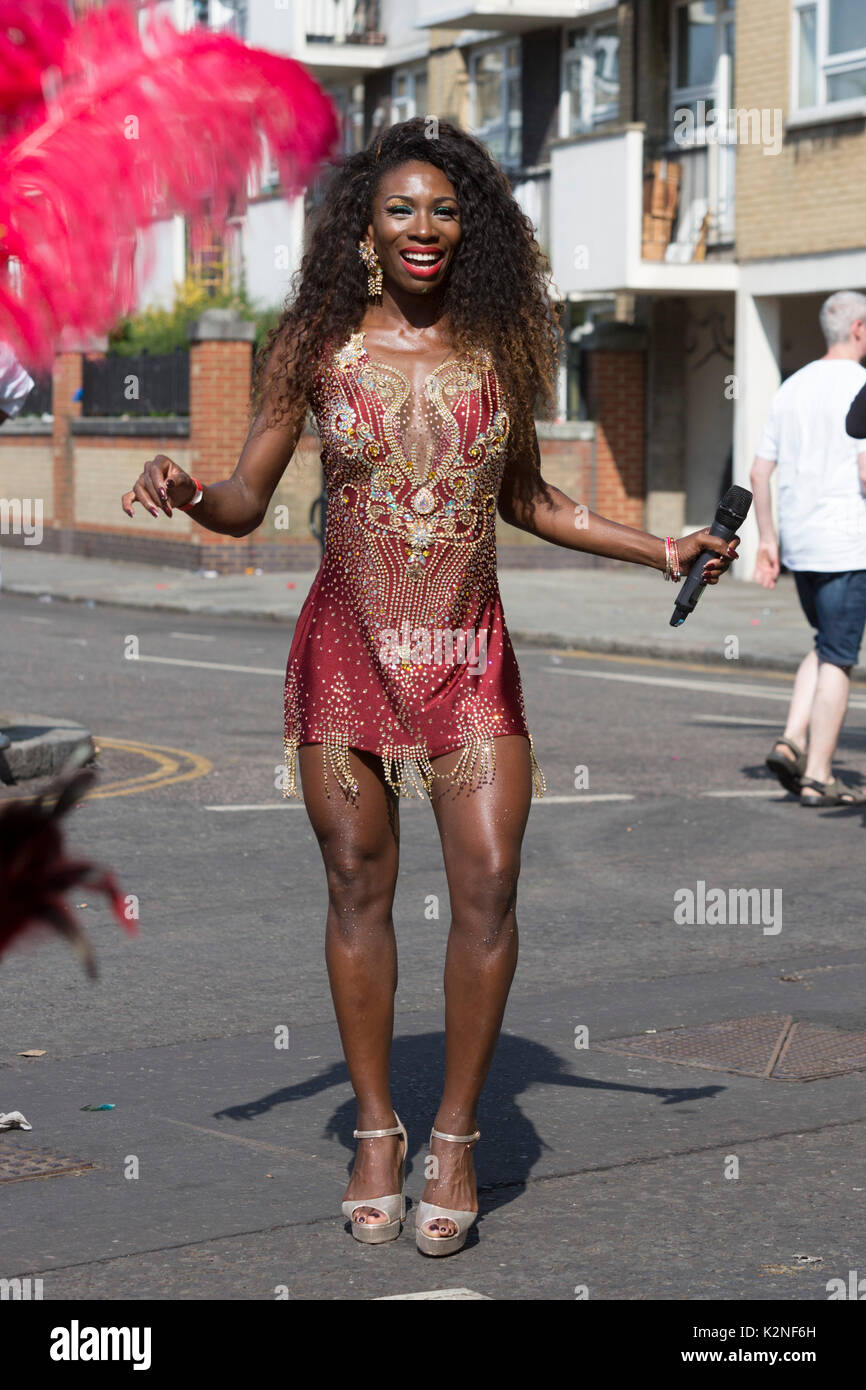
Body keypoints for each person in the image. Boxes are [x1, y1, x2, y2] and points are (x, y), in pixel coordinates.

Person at [121, 119, 736, 1256]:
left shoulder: (501, 341)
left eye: (443, 210)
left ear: (472, 227)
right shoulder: (314, 340)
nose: (422, 228)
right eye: (400, 209)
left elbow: (530, 499)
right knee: (357, 886)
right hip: (347, 650)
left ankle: (452, 1134)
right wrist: (188, 488)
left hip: (465, 656)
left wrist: (658, 547)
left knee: (490, 883)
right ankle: (373, 1128)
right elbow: (249, 496)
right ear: (364, 224)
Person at [753, 289, 866, 806]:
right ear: (859, 329)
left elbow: (759, 471)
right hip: (848, 544)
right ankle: (819, 775)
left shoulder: (791, 386)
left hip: (800, 543)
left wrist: (768, 541)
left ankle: (792, 738)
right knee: (840, 658)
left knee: (825, 643)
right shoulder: (862, 385)